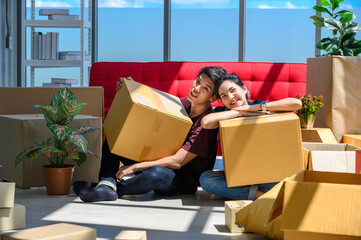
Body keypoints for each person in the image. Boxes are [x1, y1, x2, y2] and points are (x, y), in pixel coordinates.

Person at [74, 66, 227, 202]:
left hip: (181, 179)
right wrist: (133, 89)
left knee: (155, 173)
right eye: (197, 81)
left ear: (213, 98)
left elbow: (177, 162)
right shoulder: (183, 104)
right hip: (159, 159)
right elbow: (154, 107)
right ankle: (106, 183)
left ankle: (113, 189)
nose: (196, 88)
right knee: (117, 140)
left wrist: (135, 167)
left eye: (205, 88)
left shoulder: (206, 125)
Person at [199, 73, 302, 200]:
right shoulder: (222, 112)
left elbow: (297, 104)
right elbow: (205, 122)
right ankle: (263, 197)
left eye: (233, 90)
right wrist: (238, 113)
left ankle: (243, 193)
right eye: (224, 96)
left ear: (244, 89)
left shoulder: (260, 106)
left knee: (293, 180)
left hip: (269, 176)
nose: (230, 97)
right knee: (206, 179)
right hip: (238, 177)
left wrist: (255, 108)